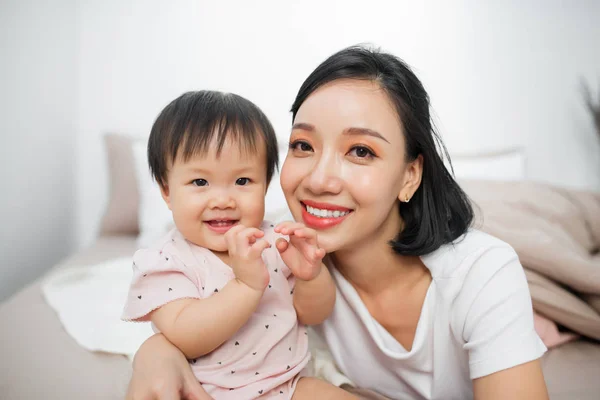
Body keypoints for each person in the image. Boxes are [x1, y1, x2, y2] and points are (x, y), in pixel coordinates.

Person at [125, 47, 549, 400]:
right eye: (303, 145)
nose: (320, 180)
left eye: (361, 151)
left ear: (410, 176)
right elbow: (187, 299)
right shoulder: (271, 245)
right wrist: (156, 350)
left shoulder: (481, 273)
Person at [121, 90, 356, 399]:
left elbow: (313, 314)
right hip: (206, 391)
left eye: (243, 181)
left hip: (290, 385)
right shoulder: (167, 260)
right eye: (200, 182)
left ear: (265, 185)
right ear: (167, 191)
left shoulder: (275, 242)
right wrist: (246, 285)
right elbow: (186, 335)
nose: (222, 200)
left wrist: (311, 276)